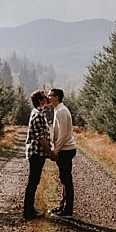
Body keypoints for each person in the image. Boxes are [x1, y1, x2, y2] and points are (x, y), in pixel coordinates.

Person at [23, 89, 57, 220]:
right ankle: (28, 212)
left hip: (39, 154)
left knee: (34, 181)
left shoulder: (40, 113)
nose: (47, 99)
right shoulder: (37, 115)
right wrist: (51, 153)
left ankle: (30, 210)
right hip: (36, 154)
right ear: (39, 101)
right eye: (44, 97)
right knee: (33, 182)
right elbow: (40, 138)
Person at [47, 88, 77, 218]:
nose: (48, 98)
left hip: (66, 150)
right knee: (64, 179)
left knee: (66, 180)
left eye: (50, 95)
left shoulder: (61, 111)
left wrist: (55, 151)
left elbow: (63, 134)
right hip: (64, 149)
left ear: (57, 97)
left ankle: (67, 210)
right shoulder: (58, 110)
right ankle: (63, 206)